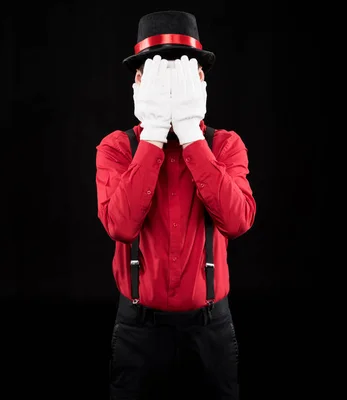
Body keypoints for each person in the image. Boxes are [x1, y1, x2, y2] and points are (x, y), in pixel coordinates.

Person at [95, 10, 256, 400]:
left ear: (199, 80)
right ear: (138, 81)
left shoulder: (225, 145)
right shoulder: (117, 147)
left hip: (210, 333)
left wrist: (188, 131)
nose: (169, 83)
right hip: (138, 333)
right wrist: (151, 135)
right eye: (156, 71)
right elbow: (120, 226)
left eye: (179, 71)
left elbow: (238, 221)